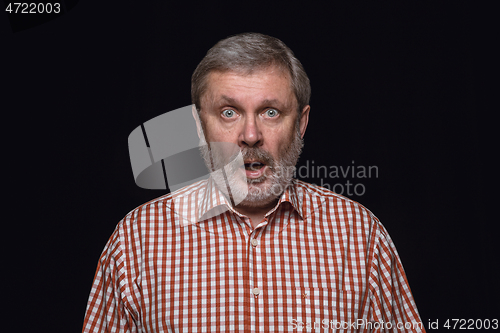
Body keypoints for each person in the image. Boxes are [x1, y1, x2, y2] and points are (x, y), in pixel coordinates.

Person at [82, 32, 425, 332]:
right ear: (198, 125)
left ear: (300, 124)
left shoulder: (359, 237)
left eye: (270, 112)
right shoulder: (136, 241)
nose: (250, 135)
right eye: (229, 112)